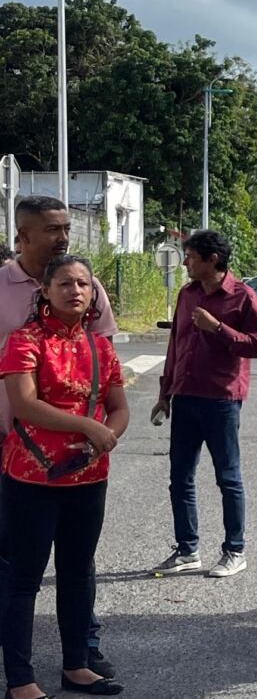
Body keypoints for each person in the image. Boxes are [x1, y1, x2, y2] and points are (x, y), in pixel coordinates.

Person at [0, 196, 119, 679]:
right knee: (18, 567)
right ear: (23, 236)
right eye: (52, 229)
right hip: (18, 453)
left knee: (78, 566)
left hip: (82, 464)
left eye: (66, 228)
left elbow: (106, 380)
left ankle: (80, 656)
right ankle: (18, 671)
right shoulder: (11, 308)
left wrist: (103, 433)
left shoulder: (91, 311)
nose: (63, 237)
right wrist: (89, 427)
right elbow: (25, 400)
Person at [151, 230, 257, 580]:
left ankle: (235, 550)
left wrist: (218, 328)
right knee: (180, 478)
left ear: (212, 259)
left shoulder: (242, 296)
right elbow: (176, 344)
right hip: (185, 396)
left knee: (228, 477)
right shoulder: (187, 294)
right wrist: (165, 392)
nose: (185, 262)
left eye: (191, 256)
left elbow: (256, 346)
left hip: (221, 399)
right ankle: (187, 550)